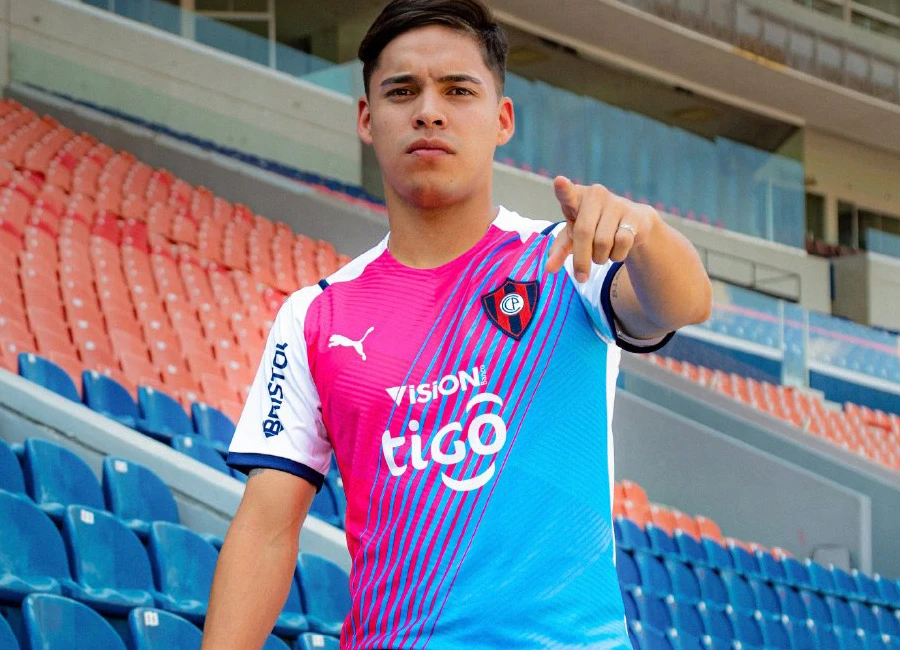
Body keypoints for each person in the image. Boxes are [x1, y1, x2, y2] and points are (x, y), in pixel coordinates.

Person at [202, 0, 711, 647]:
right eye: (402, 91)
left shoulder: (568, 260)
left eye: (458, 90)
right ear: (367, 118)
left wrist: (649, 233)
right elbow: (267, 530)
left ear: (502, 119)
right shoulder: (314, 316)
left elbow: (682, 303)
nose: (429, 111)